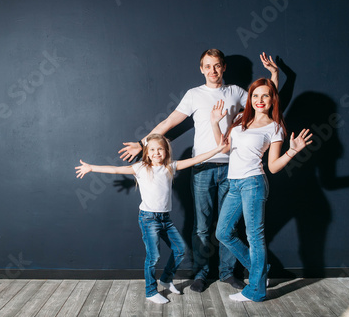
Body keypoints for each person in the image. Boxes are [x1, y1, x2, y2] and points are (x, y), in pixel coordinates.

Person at [118, 49, 279, 292]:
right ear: (201, 69)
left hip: (233, 168)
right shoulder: (194, 95)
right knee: (202, 226)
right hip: (202, 166)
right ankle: (202, 274)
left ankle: (227, 274)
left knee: (229, 228)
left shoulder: (235, 92)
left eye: (217, 66)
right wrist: (142, 143)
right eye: (208, 66)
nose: (213, 70)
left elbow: (266, 99)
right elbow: (169, 121)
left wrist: (274, 74)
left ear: (223, 67)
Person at [76, 133, 229, 304]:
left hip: (165, 219)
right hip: (148, 219)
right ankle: (150, 291)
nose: (157, 153)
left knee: (180, 250)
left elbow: (196, 159)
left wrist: (218, 149)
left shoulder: (170, 166)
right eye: (153, 150)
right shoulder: (141, 167)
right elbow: (116, 169)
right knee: (154, 256)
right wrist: (91, 168)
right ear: (147, 153)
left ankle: (166, 279)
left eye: (160, 150)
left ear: (166, 151)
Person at [210, 78, 312, 302]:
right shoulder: (239, 120)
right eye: (255, 95)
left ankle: (255, 290)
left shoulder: (274, 127)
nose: (259, 100)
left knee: (255, 237)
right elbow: (224, 148)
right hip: (234, 183)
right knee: (223, 233)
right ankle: (260, 270)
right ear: (250, 99)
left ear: (272, 99)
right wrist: (215, 123)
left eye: (265, 95)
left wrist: (292, 152)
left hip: (253, 183)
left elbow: (273, 167)